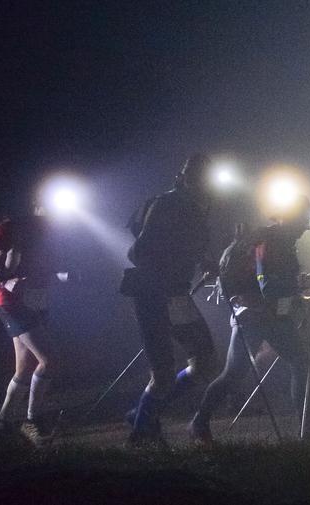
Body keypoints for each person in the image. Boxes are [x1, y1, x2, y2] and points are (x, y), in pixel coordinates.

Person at [189, 195, 310, 444]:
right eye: (305, 220)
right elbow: (269, 287)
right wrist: (308, 283)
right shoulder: (273, 242)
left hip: (271, 317)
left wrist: (305, 293)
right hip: (254, 318)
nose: (308, 226)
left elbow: (276, 287)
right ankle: (199, 422)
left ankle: (307, 429)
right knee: (234, 374)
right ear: (292, 217)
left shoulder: (281, 241)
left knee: (301, 363)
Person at [121, 155, 226, 445]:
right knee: (164, 374)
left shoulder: (196, 208)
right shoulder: (169, 204)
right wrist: (169, 266)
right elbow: (137, 253)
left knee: (205, 363)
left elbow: (189, 246)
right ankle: (141, 436)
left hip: (177, 295)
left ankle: (144, 411)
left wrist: (201, 260)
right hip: (154, 295)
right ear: (188, 179)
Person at [0, 204, 69, 446]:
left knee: (24, 367)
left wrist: (66, 276)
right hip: (11, 303)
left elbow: (39, 274)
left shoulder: (48, 235)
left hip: (33, 302)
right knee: (49, 360)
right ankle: (32, 421)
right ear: (36, 207)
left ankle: (2, 424)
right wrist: (2, 280)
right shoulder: (10, 228)